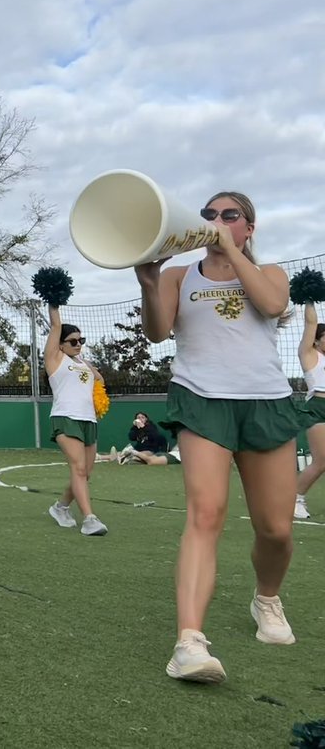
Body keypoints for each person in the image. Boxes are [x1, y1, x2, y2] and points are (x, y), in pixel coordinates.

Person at [136, 191, 302, 683]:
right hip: (201, 398)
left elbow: (273, 305)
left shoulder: (271, 273)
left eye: (230, 216)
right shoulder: (178, 275)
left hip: (267, 402)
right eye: (209, 215)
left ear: (249, 227)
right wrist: (149, 282)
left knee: (276, 530)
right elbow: (157, 332)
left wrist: (230, 251)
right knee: (205, 514)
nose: (216, 221)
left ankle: (266, 599)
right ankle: (189, 642)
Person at [43, 305, 108, 536]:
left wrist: (90, 368)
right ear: (60, 344)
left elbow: (99, 379)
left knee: (86, 472)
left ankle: (60, 508)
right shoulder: (55, 359)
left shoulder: (82, 362)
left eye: (81, 340)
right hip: (65, 417)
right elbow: (56, 326)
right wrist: (54, 303)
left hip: (88, 420)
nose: (78, 344)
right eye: (72, 341)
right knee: (78, 469)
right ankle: (90, 519)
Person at [295, 303, 325, 519]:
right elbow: (311, 323)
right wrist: (309, 299)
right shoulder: (310, 354)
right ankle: (296, 499)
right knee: (322, 460)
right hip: (318, 407)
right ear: (317, 339)